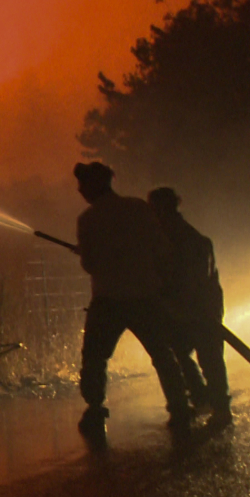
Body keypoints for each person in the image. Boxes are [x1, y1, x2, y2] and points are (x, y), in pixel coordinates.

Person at [73, 162, 191, 444]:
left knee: (95, 359)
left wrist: (86, 254)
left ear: (92, 186)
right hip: (145, 296)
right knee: (163, 355)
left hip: (108, 300)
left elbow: (90, 264)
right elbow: (162, 250)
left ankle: (95, 408)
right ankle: (180, 408)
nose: (79, 191)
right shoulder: (139, 208)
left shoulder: (87, 220)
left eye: (82, 185)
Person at [147, 187, 232, 429]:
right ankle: (204, 399)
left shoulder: (192, 240)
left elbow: (196, 279)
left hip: (202, 309)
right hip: (181, 309)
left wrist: (182, 300)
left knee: (209, 357)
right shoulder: (167, 238)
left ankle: (220, 407)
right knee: (181, 355)